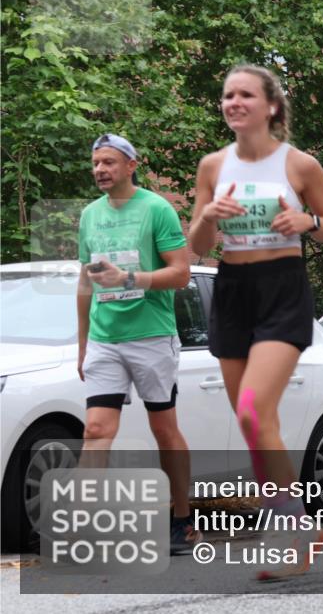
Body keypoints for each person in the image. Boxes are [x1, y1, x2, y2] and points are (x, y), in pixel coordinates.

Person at [188, 64, 323, 580]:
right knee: (257, 425)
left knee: (255, 412)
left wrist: (307, 221)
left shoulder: (300, 165)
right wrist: (209, 215)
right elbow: (196, 248)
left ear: (271, 106)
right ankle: (303, 531)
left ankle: (288, 533)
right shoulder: (213, 165)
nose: (233, 102)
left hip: (281, 289)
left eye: (245, 95)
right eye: (227, 94)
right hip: (232, 290)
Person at [77, 133, 202, 555]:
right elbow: (85, 281)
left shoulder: (156, 209)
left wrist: (130, 279)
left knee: (163, 429)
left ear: (132, 165)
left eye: (109, 162)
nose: (100, 170)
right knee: (96, 429)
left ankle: (181, 519)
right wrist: (82, 343)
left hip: (151, 336)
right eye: (96, 163)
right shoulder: (90, 215)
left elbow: (181, 274)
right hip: (104, 338)